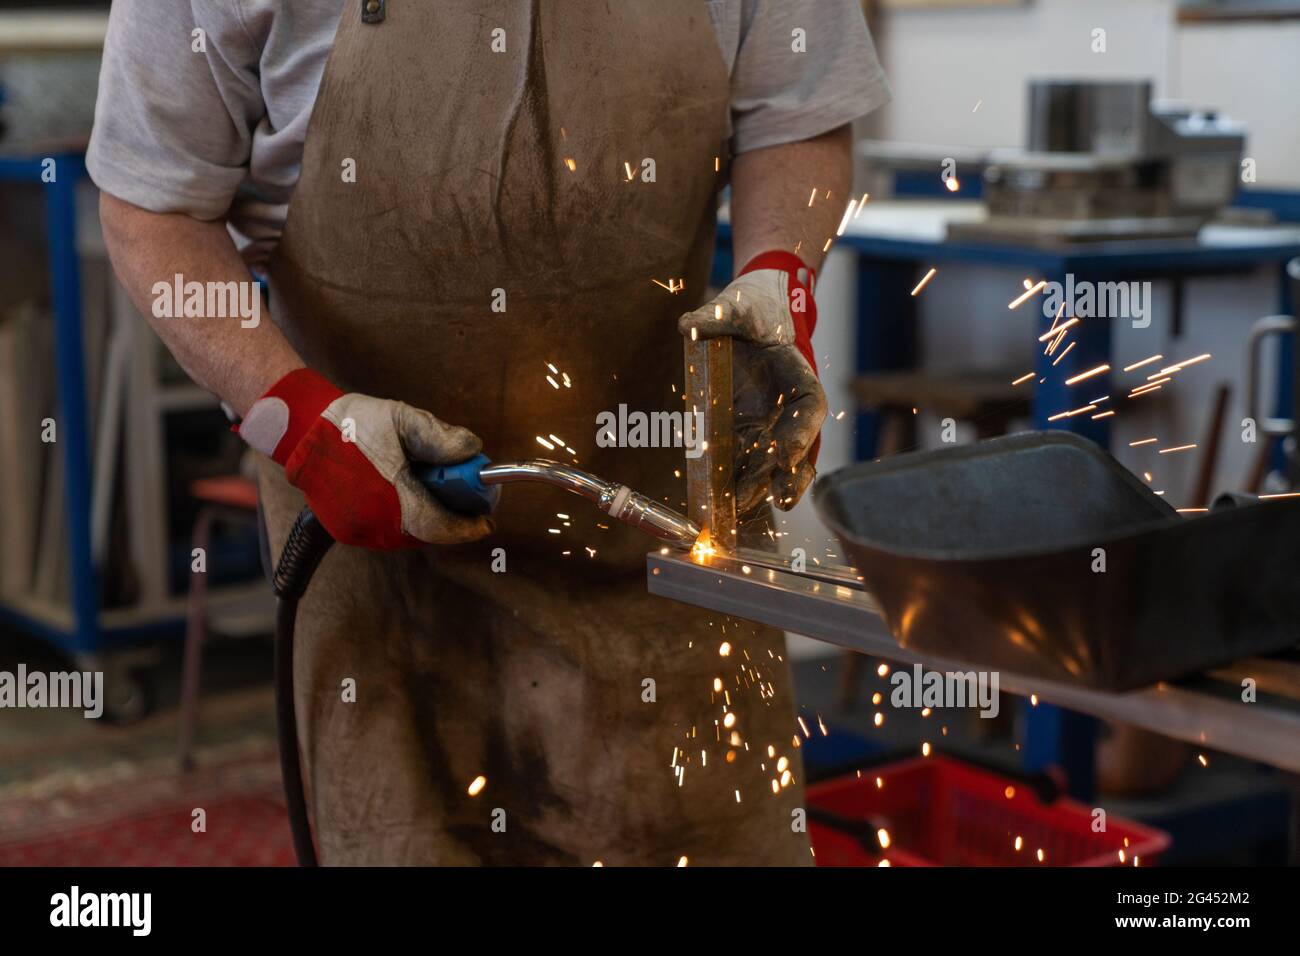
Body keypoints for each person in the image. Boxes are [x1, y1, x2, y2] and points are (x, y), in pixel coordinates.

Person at [90, 0, 890, 865]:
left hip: (662, 531)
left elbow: (801, 118)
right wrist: (299, 421)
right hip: (374, 526)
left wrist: (781, 276)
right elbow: (152, 206)